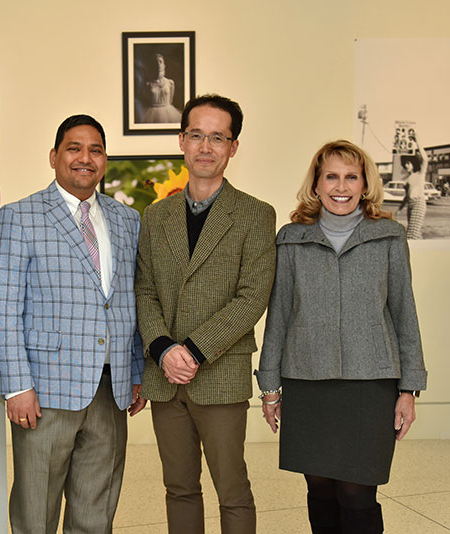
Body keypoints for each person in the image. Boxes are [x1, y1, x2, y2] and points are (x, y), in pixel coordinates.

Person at [256, 140, 427, 534]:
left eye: (352, 177)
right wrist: (269, 388)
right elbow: (278, 315)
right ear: (316, 184)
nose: (341, 186)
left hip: (370, 384)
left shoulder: (388, 236)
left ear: (365, 184)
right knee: (319, 489)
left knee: (356, 494)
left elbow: (404, 312)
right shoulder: (291, 238)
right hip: (307, 381)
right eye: (331, 176)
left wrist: (409, 389)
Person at [0, 114, 146, 533]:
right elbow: (3, 306)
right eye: (74, 148)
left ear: (105, 161)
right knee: (35, 512)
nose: (85, 158)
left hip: (109, 388)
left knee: (96, 511)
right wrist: (16, 385)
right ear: (54, 156)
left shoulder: (128, 220)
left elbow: (129, 300)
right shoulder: (19, 216)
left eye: (95, 150)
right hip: (44, 390)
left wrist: (135, 370)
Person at [135, 94, 276, 534]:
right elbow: (144, 289)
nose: (206, 147)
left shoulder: (255, 215)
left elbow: (252, 297)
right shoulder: (156, 217)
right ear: (182, 140)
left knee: (232, 490)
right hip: (165, 376)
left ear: (233, 147)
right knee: (179, 488)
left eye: (218, 137)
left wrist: (193, 351)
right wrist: (162, 349)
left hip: (219, 374)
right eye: (197, 135)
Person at [397, 138, 428, 239]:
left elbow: (425, 159)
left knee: (411, 234)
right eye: (405, 163)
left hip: (418, 203)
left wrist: (417, 140)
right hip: (410, 205)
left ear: (413, 163)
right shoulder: (407, 178)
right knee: (416, 233)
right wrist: (400, 208)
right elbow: (407, 196)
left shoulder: (420, 173)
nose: (406, 165)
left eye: (408, 163)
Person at [138, 53, 182, 124]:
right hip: (152, 114)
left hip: (169, 112)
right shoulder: (148, 84)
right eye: (156, 63)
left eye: (160, 62)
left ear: (164, 65)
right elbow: (145, 101)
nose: (158, 65)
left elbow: (170, 100)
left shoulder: (170, 83)